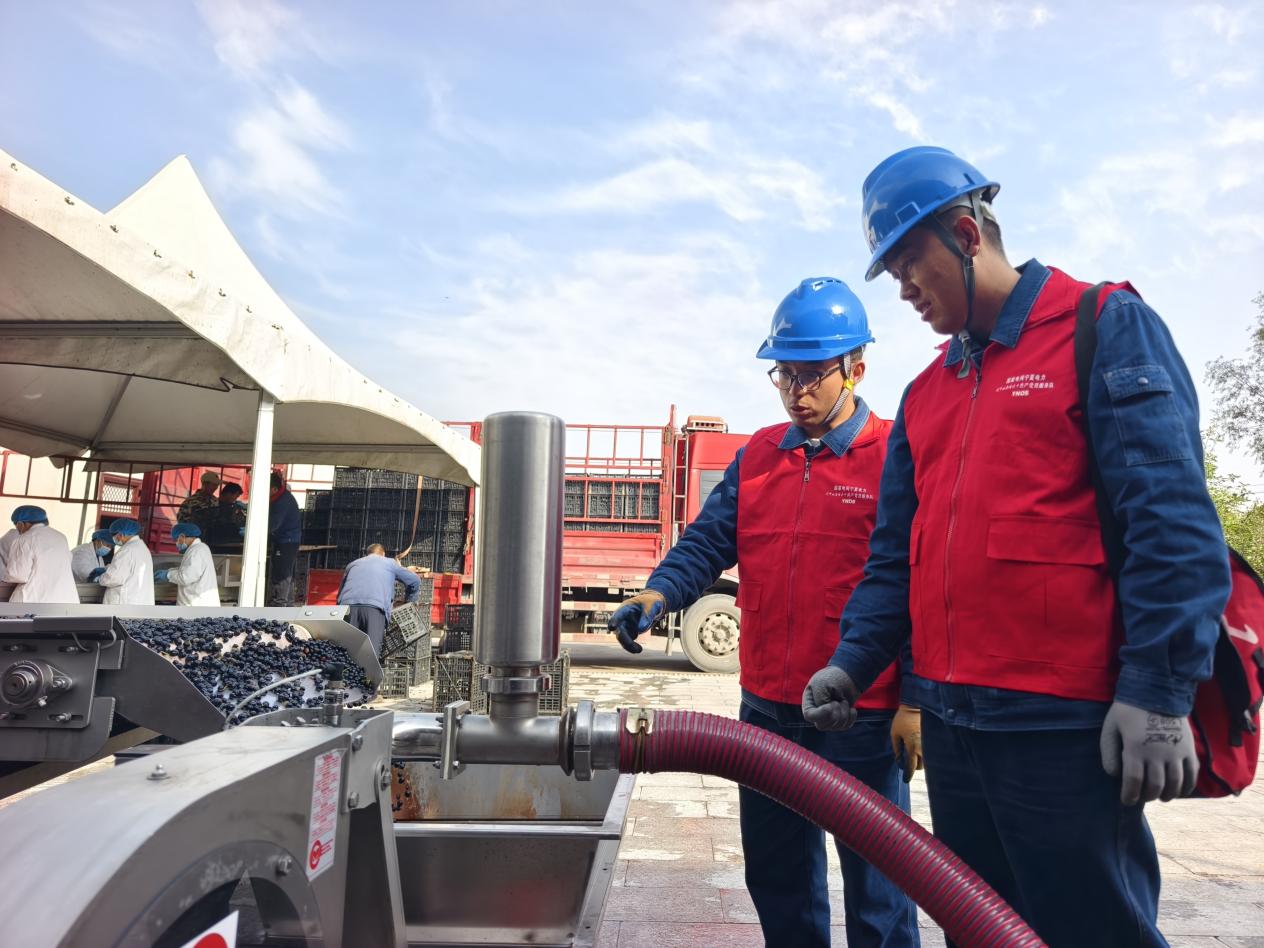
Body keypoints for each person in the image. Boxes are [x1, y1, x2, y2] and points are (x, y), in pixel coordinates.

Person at [801, 146, 1231, 948]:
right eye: (891, 272)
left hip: (1062, 727)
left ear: (966, 235)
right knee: (981, 931)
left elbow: (1170, 520)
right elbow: (896, 558)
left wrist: (1160, 690)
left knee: (1091, 932)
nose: (903, 289)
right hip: (954, 728)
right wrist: (851, 663)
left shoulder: (1101, 327)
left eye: (909, 263)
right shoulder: (925, 394)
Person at [609, 279, 920, 948]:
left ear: (856, 369)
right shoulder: (759, 457)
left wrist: (913, 702)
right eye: (784, 374)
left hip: (862, 713)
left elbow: (914, 584)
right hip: (770, 707)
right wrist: (658, 593)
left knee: (879, 889)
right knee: (779, 877)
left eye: (812, 375)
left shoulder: (895, 453)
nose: (795, 392)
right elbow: (706, 543)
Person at [337, 543, 422, 654]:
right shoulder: (389, 563)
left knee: (347, 651)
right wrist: (409, 602)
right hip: (374, 609)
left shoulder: (352, 564)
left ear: (367, 554)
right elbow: (415, 581)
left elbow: (340, 592)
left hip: (347, 607)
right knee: (370, 652)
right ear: (383, 554)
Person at [2, 505, 78, 604]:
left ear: (21, 524)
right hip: (67, 600)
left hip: (35, 601)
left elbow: (18, 575)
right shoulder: (61, 537)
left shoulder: (24, 539)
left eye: (16, 525)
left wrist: (6, 577)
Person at [156, 523, 220, 607]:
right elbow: (188, 569)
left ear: (182, 536)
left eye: (176, 540)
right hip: (198, 603)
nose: (176, 543)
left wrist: (167, 575)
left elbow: (186, 577)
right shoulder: (200, 548)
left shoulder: (196, 551)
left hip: (196, 605)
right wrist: (169, 571)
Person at [96, 518, 155, 606]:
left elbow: (113, 578)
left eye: (114, 535)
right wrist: (109, 568)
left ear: (120, 534)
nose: (114, 539)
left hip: (125, 604)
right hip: (139, 602)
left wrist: (100, 578)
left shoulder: (127, 550)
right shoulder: (142, 548)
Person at [266, 471, 302, 606]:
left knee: (281, 574)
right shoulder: (281, 497)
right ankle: (288, 604)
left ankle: (278, 604)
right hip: (288, 540)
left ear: (274, 489)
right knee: (287, 575)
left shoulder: (282, 502)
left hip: (285, 542)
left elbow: (273, 524)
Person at [177, 471, 222, 536]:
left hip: (211, 537)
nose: (216, 487)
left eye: (217, 485)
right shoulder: (190, 501)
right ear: (205, 484)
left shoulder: (215, 500)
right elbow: (181, 521)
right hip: (195, 536)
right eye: (214, 485)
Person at [208, 481, 247, 547]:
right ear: (228, 494)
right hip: (218, 540)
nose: (235, 499)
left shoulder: (231, 506)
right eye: (236, 496)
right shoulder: (214, 505)